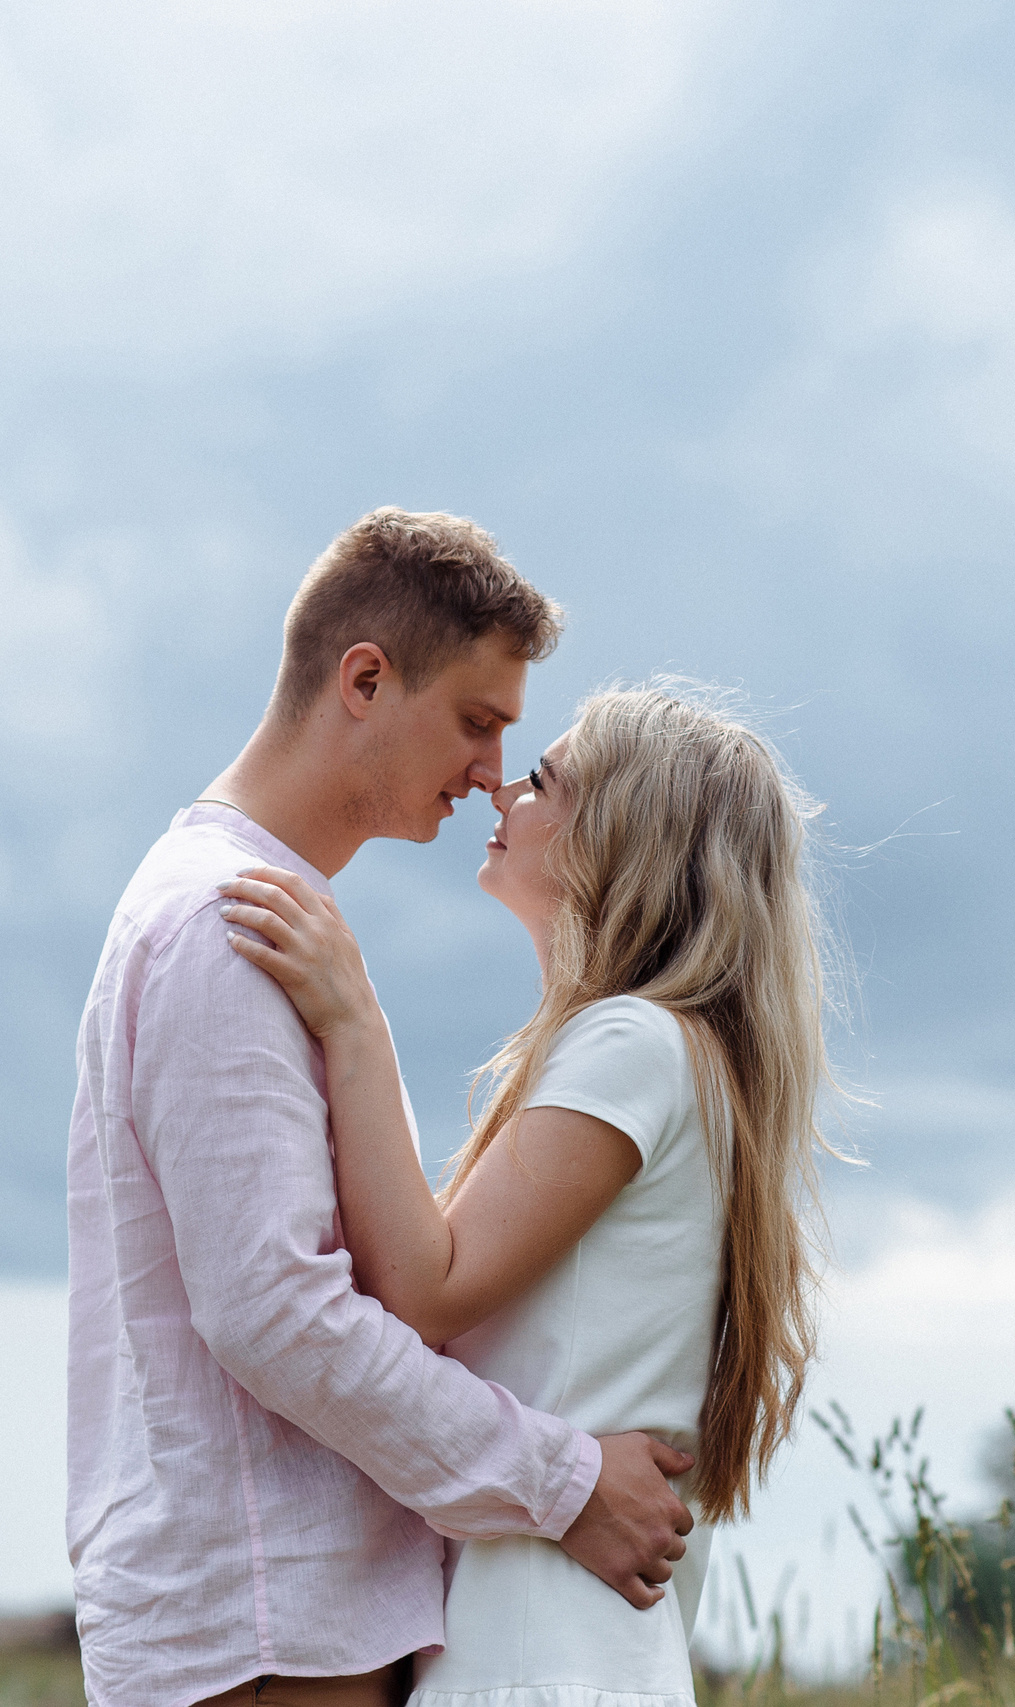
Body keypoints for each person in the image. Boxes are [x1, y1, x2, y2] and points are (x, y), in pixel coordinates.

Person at [67, 509, 698, 1707]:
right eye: (476, 721)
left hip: (285, 1627)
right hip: (267, 1634)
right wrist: (563, 1483)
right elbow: (276, 1314)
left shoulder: (268, 918)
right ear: (364, 680)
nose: (492, 771)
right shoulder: (229, 925)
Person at [214, 682, 839, 1704]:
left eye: (545, 779)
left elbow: (425, 1287)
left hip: (534, 1650)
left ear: (620, 837)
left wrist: (352, 1018)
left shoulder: (633, 1042)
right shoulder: (677, 1057)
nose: (503, 790)